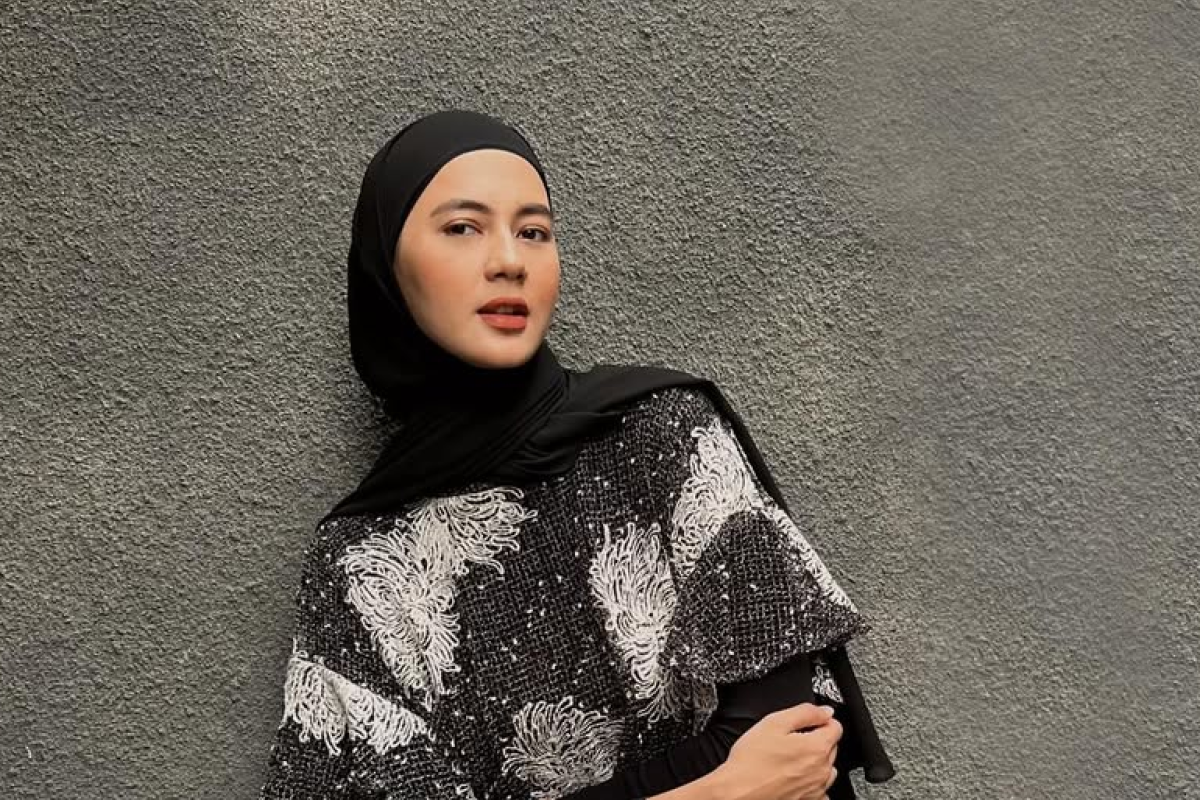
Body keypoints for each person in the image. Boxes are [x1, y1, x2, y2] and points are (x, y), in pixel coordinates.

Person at [259, 109, 896, 800]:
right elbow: (755, 778)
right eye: (463, 228)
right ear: (388, 267)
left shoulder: (661, 434)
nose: (509, 261)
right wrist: (719, 790)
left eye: (533, 231)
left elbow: (793, 740)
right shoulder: (358, 565)